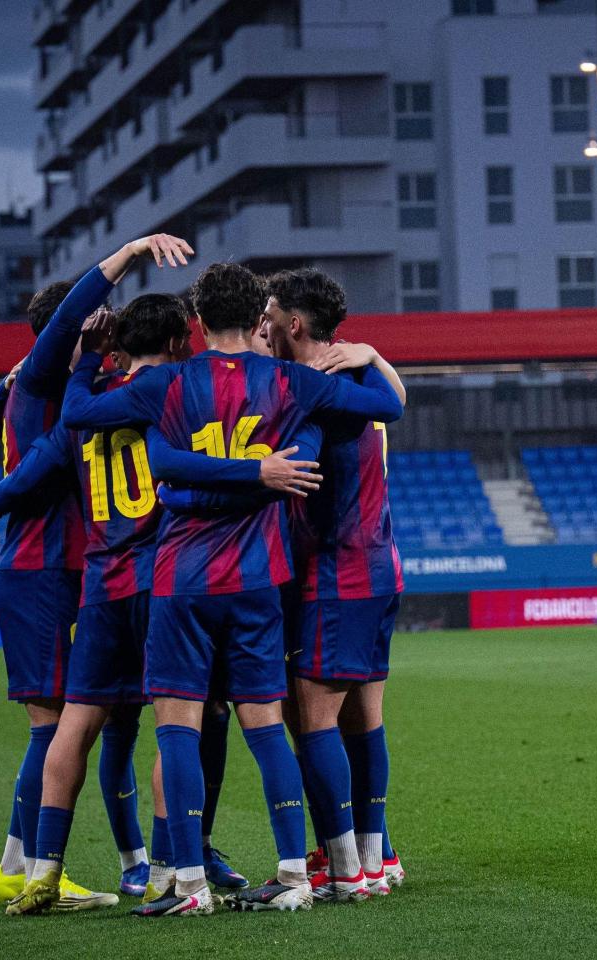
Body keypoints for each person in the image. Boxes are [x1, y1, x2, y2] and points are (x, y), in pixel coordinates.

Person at [61, 262, 405, 917]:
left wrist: (86, 362)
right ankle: (297, 872)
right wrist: (367, 358)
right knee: (269, 727)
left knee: (177, 730)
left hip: (183, 578)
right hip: (258, 578)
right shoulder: (292, 383)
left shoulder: (165, 382)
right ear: (256, 321)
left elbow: (87, 419)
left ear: (196, 320)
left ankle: (189, 884)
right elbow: (387, 407)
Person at [155, 268, 409, 902]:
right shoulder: (353, 377)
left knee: (312, 720)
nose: (261, 325)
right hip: (378, 565)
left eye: (269, 315)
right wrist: (375, 353)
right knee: (363, 720)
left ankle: (344, 869)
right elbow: (395, 403)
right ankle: (375, 857)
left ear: (293, 323)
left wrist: (192, 488)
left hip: (333, 570)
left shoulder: (309, 389)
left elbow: (283, 470)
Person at [0, 233, 192, 912]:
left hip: (88, 576)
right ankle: (47, 868)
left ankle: (69, 864)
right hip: (53, 569)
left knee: (94, 723)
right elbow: (35, 465)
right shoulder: (76, 387)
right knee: (73, 725)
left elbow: (2, 431)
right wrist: (129, 254)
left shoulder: (63, 394)